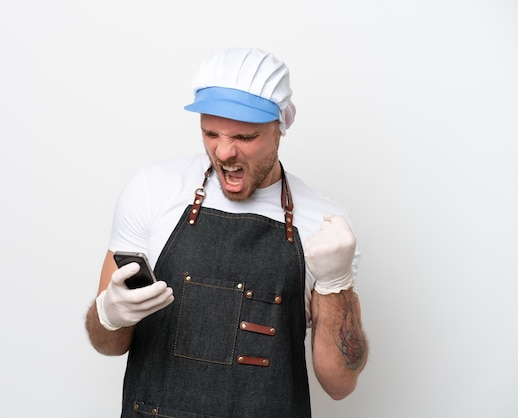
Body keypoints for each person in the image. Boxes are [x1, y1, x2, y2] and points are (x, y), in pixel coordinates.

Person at [85, 47, 368, 417]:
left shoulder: (324, 224)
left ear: (280, 126)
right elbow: (107, 344)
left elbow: (339, 384)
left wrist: (336, 283)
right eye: (210, 133)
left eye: (245, 137)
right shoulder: (152, 191)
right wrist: (109, 313)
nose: (223, 152)